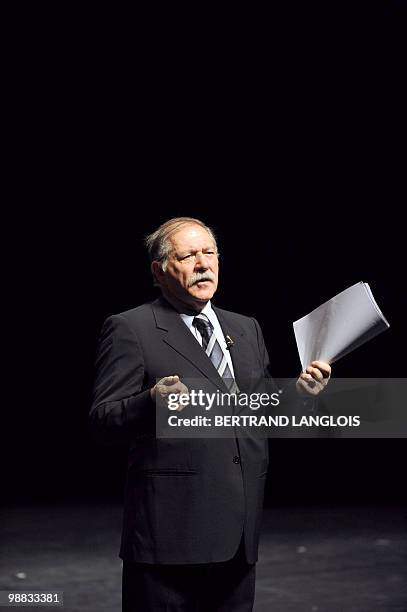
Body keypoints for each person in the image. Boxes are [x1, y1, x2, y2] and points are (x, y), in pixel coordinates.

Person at [90, 217, 331, 611]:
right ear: (159, 270)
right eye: (188, 255)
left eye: (209, 253)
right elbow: (102, 420)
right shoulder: (130, 328)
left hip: (238, 537)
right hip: (169, 538)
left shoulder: (246, 328)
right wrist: (151, 400)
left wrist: (301, 395)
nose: (203, 264)